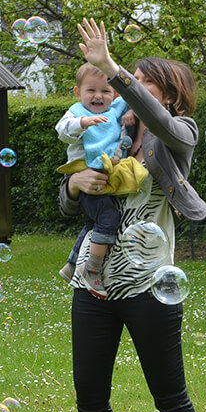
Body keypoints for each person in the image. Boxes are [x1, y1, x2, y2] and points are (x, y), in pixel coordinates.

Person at [59, 18, 206, 412]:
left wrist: (111, 66)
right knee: (90, 400)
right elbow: (69, 202)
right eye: (132, 79)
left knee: (170, 397)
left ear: (170, 94)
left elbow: (163, 124)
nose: (129, 86)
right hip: (93, 285)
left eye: (143, 81)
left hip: (151, 287)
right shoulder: (107, 135)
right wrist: (71, 184)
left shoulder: (178, 135)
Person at [55, 63, 146, 296]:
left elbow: (136, 98)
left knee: (93, 223)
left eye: (105, 91)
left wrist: (130, 112)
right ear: (78, 93)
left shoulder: (115, 109)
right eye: (91, 91)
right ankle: (92, 268)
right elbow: (62, 130)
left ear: (114, 94)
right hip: (88, 176)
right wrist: (82, 123)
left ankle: (73, 263)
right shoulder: (76, 112)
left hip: (107, 176)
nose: (98, 96)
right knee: (108, 217)